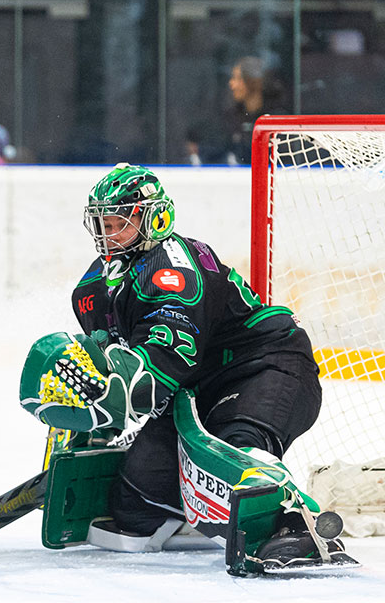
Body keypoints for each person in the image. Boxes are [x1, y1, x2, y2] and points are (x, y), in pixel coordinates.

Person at [19, 163, 353, 569]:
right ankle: (200, 512)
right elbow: (107, 366)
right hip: (195, 391)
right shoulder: (91, 290)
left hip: (263, 366)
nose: (108, 234)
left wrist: (116, 397)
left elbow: (161, 367)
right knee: (132, 507)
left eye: (120, 223)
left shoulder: (174, 268)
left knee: (235, 445)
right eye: (102, 223)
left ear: (154, 218)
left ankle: (294, 526)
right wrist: (82, 427)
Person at [186, 56, 284, 165]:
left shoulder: (276, 118)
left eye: (237, 78)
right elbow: (220, 147)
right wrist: (199, 149)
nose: (231, 84)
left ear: (252, 82)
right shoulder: (230, 116)